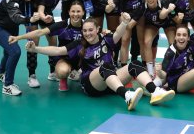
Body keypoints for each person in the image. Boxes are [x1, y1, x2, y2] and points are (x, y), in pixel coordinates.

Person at [24, 14, 175, 110]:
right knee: (106, 67)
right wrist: (36, 49)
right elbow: (57, 51)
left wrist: (125, 22)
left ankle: (155, 92)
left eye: (91, 30)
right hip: (91, 85)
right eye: (85, 31)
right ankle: (127, 96)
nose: (87, 33)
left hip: (111, 81)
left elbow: (118, 33)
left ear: (97, 29)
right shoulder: (79, 45)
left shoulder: (107, 40)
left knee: (134, 64)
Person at [8, 1, 84, 91]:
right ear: (68, 12)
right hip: (65, 58)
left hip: (81, 59)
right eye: (73, 11)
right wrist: (18, 37)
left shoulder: (87, 26)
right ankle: (63, 78)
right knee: (63, 71)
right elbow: (40, 32)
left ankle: (76, 71)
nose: (75, 14)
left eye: (78, 11)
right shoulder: (62, 25)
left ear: (83, 12)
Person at [0, 0, 41, 96]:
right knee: (15, 51)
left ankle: (0, 72)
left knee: (8, 52)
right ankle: (7, 85)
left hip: (12, 27)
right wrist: (29, 19)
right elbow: (15, 17)